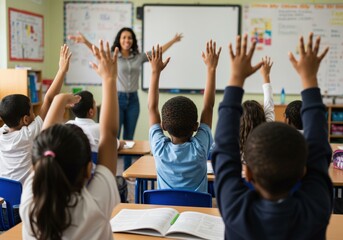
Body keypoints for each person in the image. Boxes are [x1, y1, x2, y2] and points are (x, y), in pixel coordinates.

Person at [212, 32, 332, 239]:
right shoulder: (315, 209)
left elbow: (223, 147)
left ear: (247, 173)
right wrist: (309, 78)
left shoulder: (235, 210)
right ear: (303, 171)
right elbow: (320, 148)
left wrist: (236, 77)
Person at [20, 40, 121, 239]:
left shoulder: (30, 200)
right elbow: (109, 134)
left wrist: (58, 99)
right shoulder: (95, 203)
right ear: (88, 169)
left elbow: (108, 134)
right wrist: (109, 78)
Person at [68, 28, 183, 170]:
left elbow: (157, 53)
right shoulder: (113, 55)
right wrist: (85, 41)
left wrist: (173, 40)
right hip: (118, 99)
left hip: (133, 100)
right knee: (112, 135)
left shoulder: (139, 57)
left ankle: (128, 169)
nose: (127, 40)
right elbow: (97, 51)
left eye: (129, 38)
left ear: (133, 41)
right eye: (124, 38)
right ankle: (110, 167)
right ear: (119, 40)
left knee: (129, 137)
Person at [147, 40, 221, 193]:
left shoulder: (159, 148)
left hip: (166, 211)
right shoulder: (200, 148)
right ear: (196, 126)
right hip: (197, 213)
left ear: (164, 126)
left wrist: (155, 72)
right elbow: (208, 106)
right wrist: (211, 69)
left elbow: (151, 107)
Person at [0, 45, 71, 185]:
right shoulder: (28, 134)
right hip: (27, 195)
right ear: (25, 119)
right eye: (32, 110)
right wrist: (62, 70)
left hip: (5, 195)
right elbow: (50, 98)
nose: (35, 113)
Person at [240, 56, 274, 158]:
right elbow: (269, 103)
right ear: (262, 115)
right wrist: (266, 75)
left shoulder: (233, 140)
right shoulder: (267, 132)